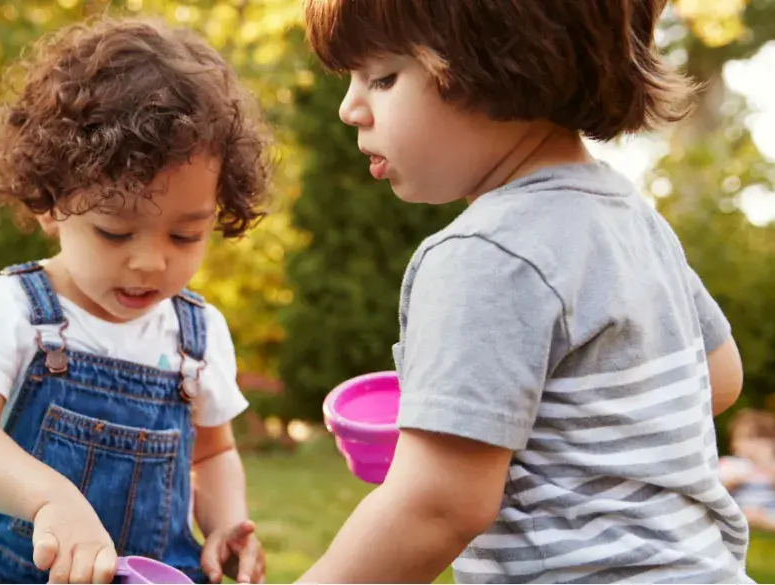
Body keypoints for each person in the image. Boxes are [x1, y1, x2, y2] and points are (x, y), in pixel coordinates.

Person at [296, 0, 750, 583]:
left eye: (383, 77)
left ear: (501, 61)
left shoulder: (486, 253)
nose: (349, 108)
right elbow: (718, 377)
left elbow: (435, 507)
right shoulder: (632, 217)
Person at [0, 18, 271, 585]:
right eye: (114, 232)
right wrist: (49, 499)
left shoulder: (198, 333)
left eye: (185, 236)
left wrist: (228, 525)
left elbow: (210, 454)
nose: (151, 262)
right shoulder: (6, 310)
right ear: (50, 202)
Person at [721, 410, 775, 532]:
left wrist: (765, 462)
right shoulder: (731, 464)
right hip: (741, 509)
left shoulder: (770, 466)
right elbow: (716, 489)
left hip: (768, 511)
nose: (751, 445)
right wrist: (733, 482)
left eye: (759, 438)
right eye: (745, 438)